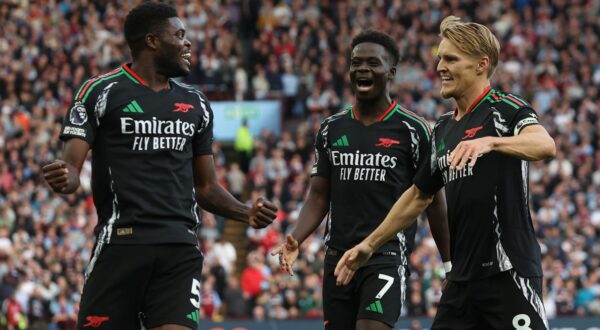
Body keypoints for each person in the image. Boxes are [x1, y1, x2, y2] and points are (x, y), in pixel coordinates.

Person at [41, 2, 277, 329]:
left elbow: (206, 187)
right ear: (153, 41)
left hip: (179, 249)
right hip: (121, 245)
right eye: (178, 35)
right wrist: (62, 177)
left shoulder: (196, 104)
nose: (187, 43)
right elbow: (70, 169)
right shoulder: (100, 92)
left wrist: (244, 212)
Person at [334, 16, 556, 330]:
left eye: (450, 58)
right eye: (440, 57)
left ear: (481, 64)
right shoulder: (441, 129)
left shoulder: (505, 108)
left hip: (507, 274)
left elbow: (545, 145)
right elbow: (418, 195)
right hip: (461, 284)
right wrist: (369, 245)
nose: (440, 66)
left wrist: (490, 142)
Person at [272, 30, 449, 330]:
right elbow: (318, 196)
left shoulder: (415, 130)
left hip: (385, 254)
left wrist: (449, 266)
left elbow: (435, 203)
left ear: (391, 72)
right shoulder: (330, 129)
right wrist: (296, 238)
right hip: (337, 257)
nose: (362, 69)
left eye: (373, 63)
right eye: (356, 63)